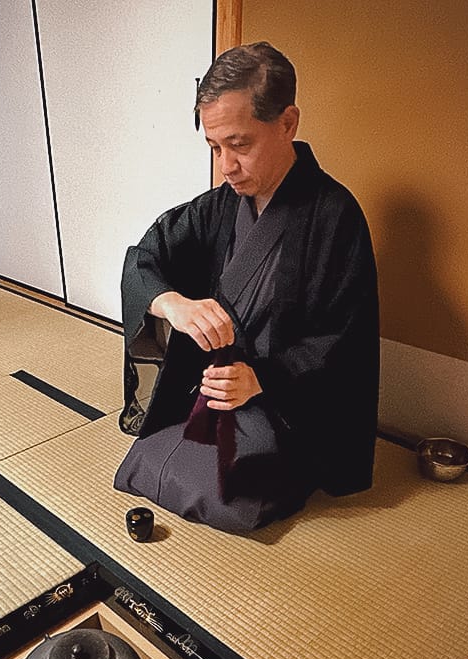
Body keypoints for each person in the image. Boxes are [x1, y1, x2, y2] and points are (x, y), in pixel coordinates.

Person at [114, 41, 379, 534]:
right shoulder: (219, 207)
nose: (225, 166)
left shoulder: (334, 216)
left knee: (231, 494)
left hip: (283, 405)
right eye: (215, 148)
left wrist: (263, 380)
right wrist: (173, 304)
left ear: (287, 123)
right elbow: (145, 256)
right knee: (142, 466)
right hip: (213, 388)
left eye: (239, 145)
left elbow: (344, 340)